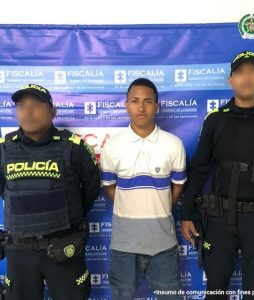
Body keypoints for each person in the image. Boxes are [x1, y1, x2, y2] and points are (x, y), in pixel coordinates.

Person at [181, 51, 254, 300]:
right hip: (219, 219)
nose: (247, 77)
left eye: (253, 71)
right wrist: (186, 213)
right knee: (216, 292)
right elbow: (199, 168)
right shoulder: (216, 120)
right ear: (231, 80)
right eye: (240, 72)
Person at [1, 84, 101, 300]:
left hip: (64, 248)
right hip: (20, 252)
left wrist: (70, 213)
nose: (28, 112)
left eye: (36, 105)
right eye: (21, 106)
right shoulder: (3, 148)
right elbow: (4, 190)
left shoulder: (73, 147)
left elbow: (91, 186)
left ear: (52, 111)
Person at [100, 78, 187, 300]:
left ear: (157, 106)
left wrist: (163, 205)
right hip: (124, 245)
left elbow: (178, 184)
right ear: (126, 104)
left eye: (148, 101)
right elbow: (110, 188)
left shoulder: (173, 144)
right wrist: (128, 204)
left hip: (163, 245)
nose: (141, 107)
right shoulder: (113, 146)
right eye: (135, 101)